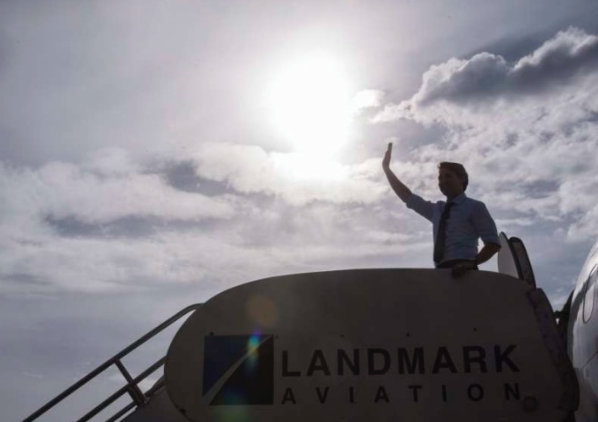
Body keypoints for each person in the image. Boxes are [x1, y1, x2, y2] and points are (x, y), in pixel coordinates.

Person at [382, 142, 500, 276]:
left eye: (448, 176)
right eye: (440, 178)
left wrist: (471, 264)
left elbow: (493, 243)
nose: (443, 181)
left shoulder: (475, 207)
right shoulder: (437, 210)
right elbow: (408, 197)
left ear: (462, 179)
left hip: (466, 273)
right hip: (441, 274)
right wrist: (387, 169)